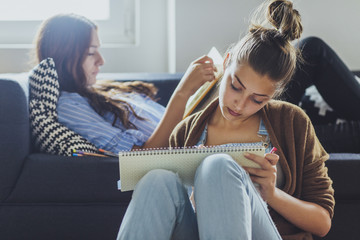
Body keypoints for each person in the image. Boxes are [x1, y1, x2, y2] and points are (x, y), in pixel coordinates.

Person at [117, 1, 334, 239]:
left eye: (257, 100)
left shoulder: (293, 122)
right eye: (235, 87)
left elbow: (322, 222)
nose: (240, 105)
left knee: (217, 165)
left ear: (272, 97)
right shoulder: (187, 131)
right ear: (227, 62)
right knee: (156, 179)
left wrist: (271, 193)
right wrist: (195, 195)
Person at [32, 13, 217, 153]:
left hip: (199, 135)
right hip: (192, 147)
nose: (101, 60)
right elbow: (142, 157)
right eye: (90, 52)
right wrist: (182, 93)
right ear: (64, 57)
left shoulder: (97, 89)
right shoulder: (70, 107)